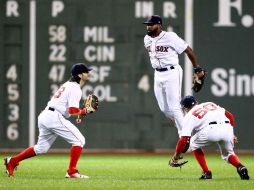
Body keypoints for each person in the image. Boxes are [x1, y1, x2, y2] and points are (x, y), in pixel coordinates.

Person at [4, 63, 97, 178]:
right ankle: (71, 171)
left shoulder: (68, 85)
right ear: (79, 74)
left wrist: (79, 114)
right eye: (86, 72)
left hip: (45, 115)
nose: (88, 73)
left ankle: (12, 162)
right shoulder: (75, 88)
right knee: (79, 140)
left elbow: (68, 110)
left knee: (41, 148)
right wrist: (83, 112)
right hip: (54, 117)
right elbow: (72, 110)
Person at [143, 15, 204, 136]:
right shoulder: (146, 39)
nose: (148, 27)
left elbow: (188, 50)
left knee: (175, 107)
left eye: (151, 24)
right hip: (158, 73)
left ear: (159, 25)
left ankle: (186, 137)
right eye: (147, 25)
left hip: (171, 72)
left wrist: (197, 68)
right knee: (165, 110)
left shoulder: (170, 37)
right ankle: (188, 123)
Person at [169, 95, 250, 180]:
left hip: (211, 130)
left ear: (185, 108)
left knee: (193, 144)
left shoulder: (189, 115)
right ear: (196, 103)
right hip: (227, 128)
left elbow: (184, 140)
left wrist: (175, 157)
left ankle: (206, 172)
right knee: (228, 154)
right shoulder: (210, 104)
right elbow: (230, 116)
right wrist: (232, 134)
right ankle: (240, 167)